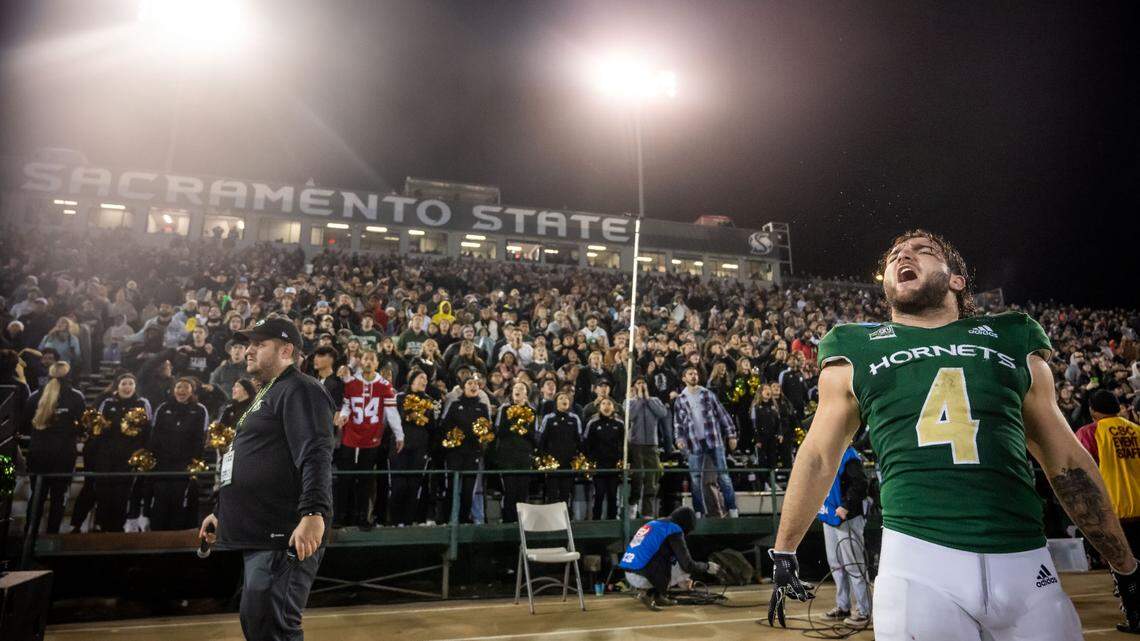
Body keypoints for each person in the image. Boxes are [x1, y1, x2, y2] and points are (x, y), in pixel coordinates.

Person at [766, 230, 1140, 639]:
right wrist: (784, 549)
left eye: (922, 251)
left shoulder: (1012, 337)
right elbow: (820, 455)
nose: (903, 255)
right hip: (918, 561)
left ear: (957, 280)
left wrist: (1125, 565)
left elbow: (1065, 460)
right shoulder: (856, 348)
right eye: (895, 255)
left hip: (1026, 560)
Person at [199, 318, 336, 641]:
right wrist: (223, 514)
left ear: (287, 350)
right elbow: (257, 459)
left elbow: (316, 452)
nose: (249, 350)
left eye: (260, 344)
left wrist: (314, 512)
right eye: (249, 344)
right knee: (259, 624)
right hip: (260, 531)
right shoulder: (269, 393)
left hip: (283, 533)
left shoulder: (300, 388)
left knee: (273, 629)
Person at [1075, 390, 1140, 631]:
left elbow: (1080, 473)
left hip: (1114, 510)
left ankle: (1135, 618)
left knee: (1124, 567)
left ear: (1092, 410)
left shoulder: (1090, 433)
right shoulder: (1136, 429)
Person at [71, 373, 152, 532]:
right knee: (103, 491)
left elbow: (148, 430)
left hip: (129, 457)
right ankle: (102, 525)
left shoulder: (143, 403)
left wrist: (142, 454)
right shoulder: (107, 402)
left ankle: (117, 527)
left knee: (122, 493)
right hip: (106, 456)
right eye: (124, 383)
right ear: (117, 385)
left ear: (135, 386)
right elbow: (97, 429)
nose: (127, 387)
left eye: (130, 383)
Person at [334, 350, 403, 528]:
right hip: (350, 438)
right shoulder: (351, 383)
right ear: (360, 361)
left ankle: (362, 518)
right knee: (345, 479)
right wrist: (343, 415)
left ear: (377, 363)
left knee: (365, 480)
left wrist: (399, 434)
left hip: (371, 439)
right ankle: (341, 517)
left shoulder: (384, 385)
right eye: (365, 358)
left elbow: (391, 412)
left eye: (372, 359)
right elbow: (347, 405)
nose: (368, 362)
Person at [618, 506, 722, 611]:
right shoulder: (673, 529)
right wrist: (707, 567)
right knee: (684, 563)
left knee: (668, 558)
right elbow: (687, 565)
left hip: (629, 573)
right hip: (642, 576)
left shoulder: (653, 524)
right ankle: (649, 594)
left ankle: (658, 596)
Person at [22, 361, 84, 534]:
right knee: (58, 499)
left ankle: (29, 537)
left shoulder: (35, 396)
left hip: (38, 454)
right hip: (63, 456)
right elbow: (82, 427)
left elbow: (25, 424)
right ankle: (52, 539)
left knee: (37, 497)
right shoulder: (76, 397)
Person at [672, 366, 739, 518]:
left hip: (714, 440)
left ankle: (733, 509)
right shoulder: (680, 399)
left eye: (695, 373)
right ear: (684, 378)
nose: (694, 376)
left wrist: (731, 434)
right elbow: (678, 423)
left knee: (723, 476)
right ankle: (698, 512)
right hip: (694, 442)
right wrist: (679, 439)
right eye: (690, 374)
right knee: (695, 479)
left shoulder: (708, 394)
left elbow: (722, 414)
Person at [817, 442, 871, 626]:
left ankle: (864, 611)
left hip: (847, 517)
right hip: (830, 515)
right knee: (836, 564)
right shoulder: (827, 453)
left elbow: (861, 484)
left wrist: (847, 505)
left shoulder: (849, 456)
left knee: (854, 565)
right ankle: (843, 606)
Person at [146, 377, 208, 531]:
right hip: (162, 464)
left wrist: (193, 462)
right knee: (160, 499)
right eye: (179, 387)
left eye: (186, 387)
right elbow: (155, 435)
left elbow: (201, 439)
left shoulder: (200, 410)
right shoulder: (163, 408)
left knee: (179, 500)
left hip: (184, 465)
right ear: (173, 390)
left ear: (192, 391)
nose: (182, 391)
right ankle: (157, 535)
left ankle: (176, 536)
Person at [391, 369, 441, 526]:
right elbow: (392, 419)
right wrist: (408, 414)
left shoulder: (428, 400)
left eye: (426, 378)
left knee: (414, 485)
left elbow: (433, 427)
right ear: (411, 380)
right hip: (400, 446)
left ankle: (408, 520)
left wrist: (430, 449)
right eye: (421, 377)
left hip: (420, 448)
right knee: (399, 484)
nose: (424, 381)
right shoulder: (400, 397)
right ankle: (394, 520)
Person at [440, 376, 490, 523]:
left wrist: (483, 438)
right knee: (452, 487)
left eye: (476, 384)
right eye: (470, 383)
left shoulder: (483, 407)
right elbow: (446, 426)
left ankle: (463, 519)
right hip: (455, 452)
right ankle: (446, 519)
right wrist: (453, 438)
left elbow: (486, 429)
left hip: (473, 453)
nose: (474, 386)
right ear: (463, 387)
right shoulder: (455, 405)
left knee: (469, 489)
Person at [491, 381, 537, 523]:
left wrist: (522, 427)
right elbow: (499, 431)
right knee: (510, 491)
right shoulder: (504, 409)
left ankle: (521, 523)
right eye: (515, 388)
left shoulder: (532, 411)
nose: (518, 390)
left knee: (522, 491)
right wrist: (513, 424)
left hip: (524, 456)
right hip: (507, 456)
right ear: (512, 392)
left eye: (521, 388)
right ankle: (508, 521)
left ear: (526, 393)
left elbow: (533, 436)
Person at [626, 377, 671, 518]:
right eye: (638, 383)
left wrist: (647, 399)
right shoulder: (630, 402)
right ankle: (633, 507)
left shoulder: (655, 400)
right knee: (638, 478)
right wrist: (639, 399)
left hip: (652, 445)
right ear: (634, 387)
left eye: (643, 383)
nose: (641, 385)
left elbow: (662, 413)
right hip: (636, 445)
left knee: (652, 479)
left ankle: (648, 513)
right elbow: (631, 416)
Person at [537, 392, 583, 506]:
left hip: (568, 463)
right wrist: (544, 459)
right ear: (556, 402)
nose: (564, 399)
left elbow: (579, 440)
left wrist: (578, 458)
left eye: (566, 398)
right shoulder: (548, 418)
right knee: (552, 495)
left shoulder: (574, 418)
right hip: (552, 464)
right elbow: (541, 440)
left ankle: (566, 520)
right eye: (561, 398)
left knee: (565, 495)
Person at [585, 397, 623, 520]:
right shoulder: (593, 424)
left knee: (613, 495)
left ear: (614, 407)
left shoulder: (619, 424)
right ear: (599, 407)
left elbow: (624, 445)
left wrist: (622, 461)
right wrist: (591, 462)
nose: (606, 406)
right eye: (603, 404)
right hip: (599, 465)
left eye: (609, 404)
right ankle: (596, 521)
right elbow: (588, 444)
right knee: (599, 494)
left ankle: (612, 521)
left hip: (613, 465)